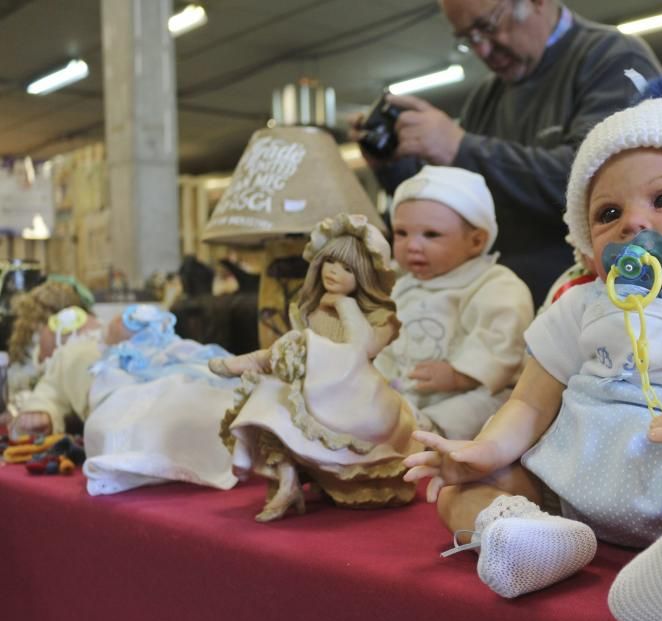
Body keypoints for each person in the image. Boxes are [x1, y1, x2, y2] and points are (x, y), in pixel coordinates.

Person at [403, 81, 662, 621]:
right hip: (571, 485)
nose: (633, 222)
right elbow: (529, 403)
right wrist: (484, 451)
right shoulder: (580, 305)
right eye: (608, 212)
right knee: (456, 491)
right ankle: (525, 537)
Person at [354, 0, 662, 306]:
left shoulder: (612, 59)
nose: (482, 50)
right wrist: (392, 166)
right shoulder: (486, 97)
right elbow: (449, 212)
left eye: (487, 27)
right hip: (497, 312)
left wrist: (458, 147)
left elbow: (598, 185)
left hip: (586, 309)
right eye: (468, 38)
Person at [213, 214, 422, 522]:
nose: (334, 272)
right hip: (313, 388)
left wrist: (344, 304)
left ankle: (259, 358)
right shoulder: (311, 309)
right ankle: (287, 481)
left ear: (364, 276)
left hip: (354, 395)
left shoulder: (379, 318)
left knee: (300, 341)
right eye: (330, 262)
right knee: (268, 397)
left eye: (347, 268)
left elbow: (360, 349)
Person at [373, 165, 533, 440]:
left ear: (476, 241)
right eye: (401, 233)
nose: (412, 245)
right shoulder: (401, 284)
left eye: (431, 234)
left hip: (474, 389)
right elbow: (387, 337)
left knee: (488, 407)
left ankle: (430, 434)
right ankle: (398, 427)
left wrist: (460, 375)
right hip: (411, 388)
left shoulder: (494, 284)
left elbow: (502, 341)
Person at [12, 304, 239, 495]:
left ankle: (239, 430)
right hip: (118, 390)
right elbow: (48, 392)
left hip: (169, 367)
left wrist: (136, 329)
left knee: (198, 393)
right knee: (156, 412)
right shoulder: (65, 358)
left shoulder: (130, 336)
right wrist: (40, 410)